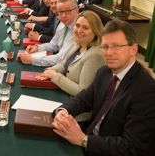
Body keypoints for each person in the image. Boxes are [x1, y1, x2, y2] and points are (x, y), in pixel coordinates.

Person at [52, 19, 155, 156]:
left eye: (116, 46)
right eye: (105, 47)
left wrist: (83, 140)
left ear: (133, 49)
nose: (109, 52)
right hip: (89, 136)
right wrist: (63, 110)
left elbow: (132, 147)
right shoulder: (104, 72)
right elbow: (84, 99)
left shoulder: (147, 90)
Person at [37, 11, 105, 122]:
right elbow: (64, 64)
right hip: (65, 94)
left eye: (85, 28)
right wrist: (50, 71)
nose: (79, 31)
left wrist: (55, 76)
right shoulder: (78, 43)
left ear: (96, 31)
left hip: (77, 113)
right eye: (77, 25)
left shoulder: (95, 55)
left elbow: (81, 91)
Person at [20, 0, 78, 67]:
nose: (63, 15)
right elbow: (54, 45)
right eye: (60, 12)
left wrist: (33, 60)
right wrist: (37, 48)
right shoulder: (62, 25)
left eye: (67, 11)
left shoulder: (78, 30)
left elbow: (61, 59)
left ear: (77, 10)